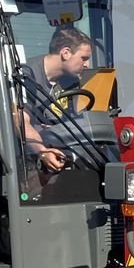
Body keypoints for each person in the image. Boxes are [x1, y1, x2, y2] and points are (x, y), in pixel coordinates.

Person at [22, 27, 94, 171]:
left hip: (65, 152)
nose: (87, 65)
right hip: (28, 161)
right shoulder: (25, 75)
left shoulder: (72, 81)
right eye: (84, 58)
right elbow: (19, 121)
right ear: (65, 53)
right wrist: (42, 152)